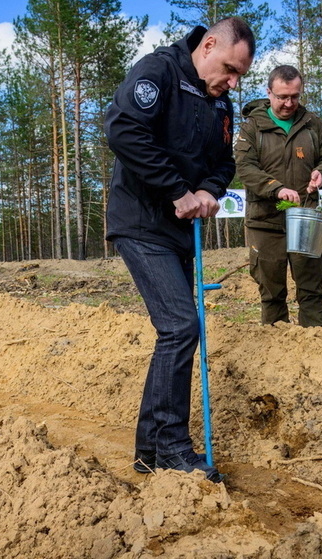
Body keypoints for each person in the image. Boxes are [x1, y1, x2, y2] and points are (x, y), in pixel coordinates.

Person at [104, 17, 255, 482]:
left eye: (240, 76)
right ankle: (171, 448)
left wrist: (209, 189)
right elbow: (124, 130)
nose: (232, 83)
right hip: (141, 222)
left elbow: (224, 161)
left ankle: (150, 451)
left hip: (180, 232)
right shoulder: (159, 71)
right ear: (208, 46)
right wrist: (177, 190)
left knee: (176, 331)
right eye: (229, 69)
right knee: (180, 326)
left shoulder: (220, 102)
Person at [235, 65, 322, 327]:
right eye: (282, 97)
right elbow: (245, 168)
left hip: (305, 219)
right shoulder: (252, 128)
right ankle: (276, 344)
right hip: (265, 222)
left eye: (295, 96)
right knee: (271, 293)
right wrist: (276, 188)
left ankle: (317, 343)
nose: (289, 103)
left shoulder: (313, 124)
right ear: (269, 92)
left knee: (312, 290)